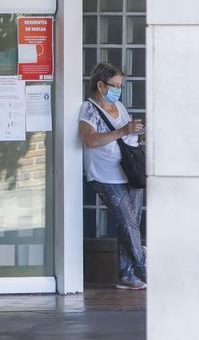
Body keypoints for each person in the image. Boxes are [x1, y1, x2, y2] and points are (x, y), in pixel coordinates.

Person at [79, 62, 147, 290]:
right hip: (106, 176)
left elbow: (126, 137)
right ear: (100, 85)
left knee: (130, 224)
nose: (118, 89)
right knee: (128, 222)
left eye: (121, 85)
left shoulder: (118, 106)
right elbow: (89, 140)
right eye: (115, 85)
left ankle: (127, 274)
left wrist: (135, 131)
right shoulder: (88, 109)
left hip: (130, 173)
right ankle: (144, 266)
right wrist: (122, 131)